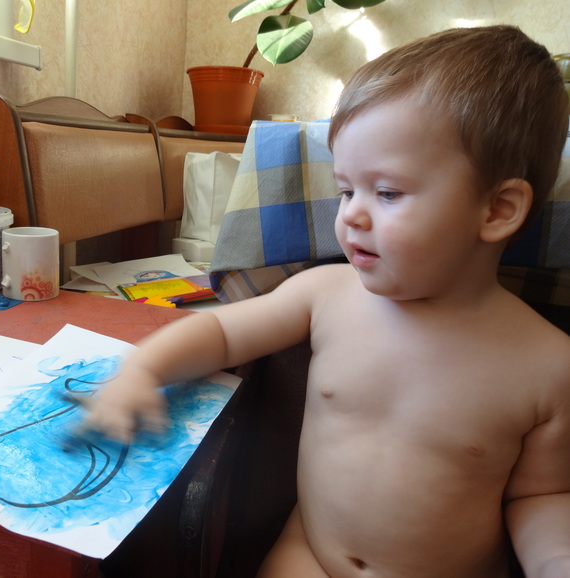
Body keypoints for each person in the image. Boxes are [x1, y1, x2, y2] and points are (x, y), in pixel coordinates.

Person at [81, 25, 570, 577]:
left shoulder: (549, 365)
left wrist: (556, 559)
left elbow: (541, 495)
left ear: (498, 209)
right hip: (309, 557)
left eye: (387, 192)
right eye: (346, 190)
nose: (352, 214)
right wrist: (142, 371)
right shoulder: (327, 294)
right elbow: (220, 332)